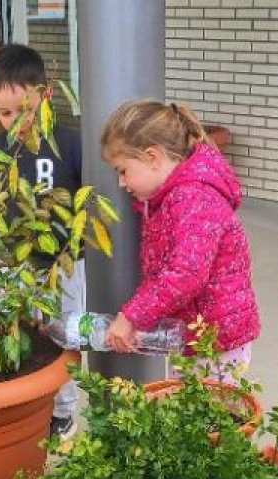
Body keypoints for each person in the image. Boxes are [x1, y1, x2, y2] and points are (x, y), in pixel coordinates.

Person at [100, 99, 259, 381]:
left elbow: (185, 274)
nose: (122, 184)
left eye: (123, 170)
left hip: (216, 343)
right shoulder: (170, 198)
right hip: (198, 337)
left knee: (210, 419)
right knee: (190, 414)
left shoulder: (194, 198)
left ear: (153, 157)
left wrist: (132, 317)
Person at [0, 43, 84, 439]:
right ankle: (28, 402)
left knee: (64, 333)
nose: (13, 122)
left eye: (21, 111)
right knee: (23, 328)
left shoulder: (70, 144)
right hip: (19, 262)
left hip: (66, 262)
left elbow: (88, 200)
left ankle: (63, 410)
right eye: (3, 113)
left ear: (44, 96)